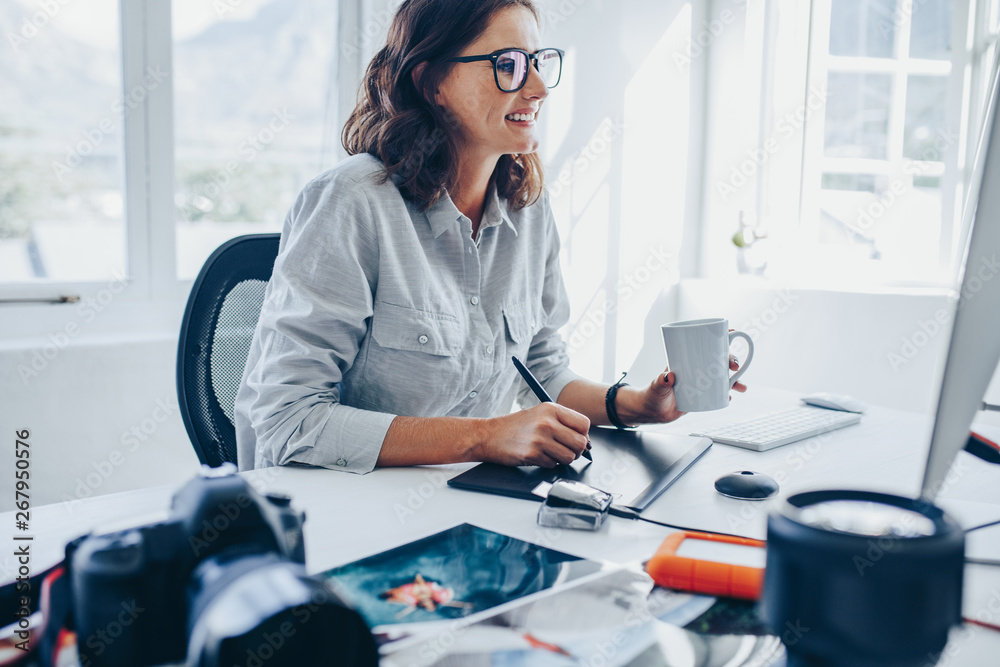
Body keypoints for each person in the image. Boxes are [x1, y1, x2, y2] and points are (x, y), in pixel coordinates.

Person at [234, 0, 745, 473]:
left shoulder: (527, 205)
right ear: (432, 81)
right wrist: (483, 438)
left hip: (455, 503)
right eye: (508, 65)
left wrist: (636, 405)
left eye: (538, 62)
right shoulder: (351, 202)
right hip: (332, 516)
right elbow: (286, 422)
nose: (539, 88)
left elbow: (541, 368)